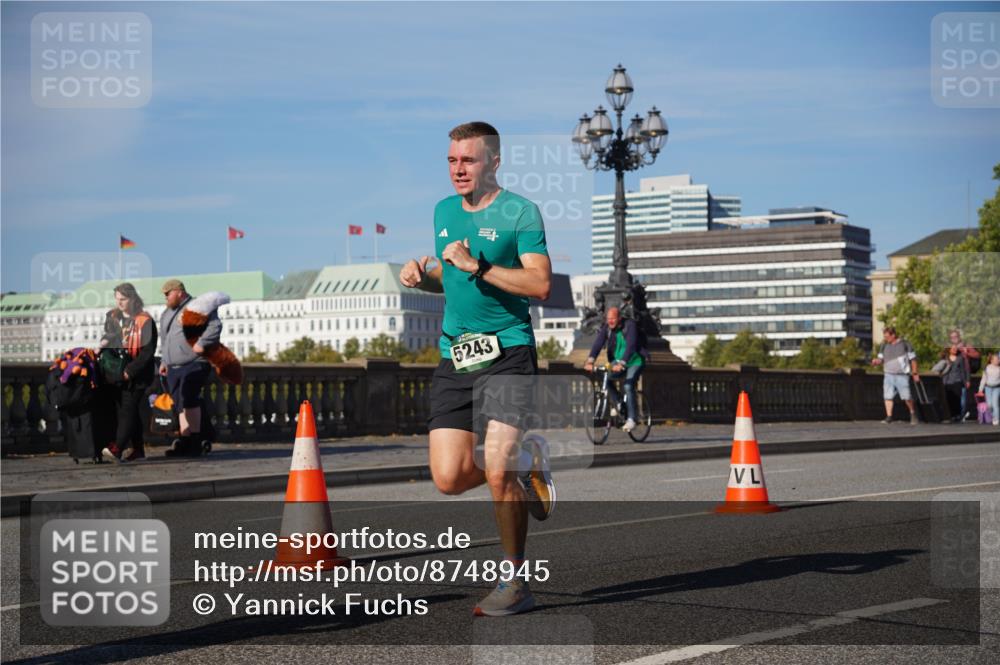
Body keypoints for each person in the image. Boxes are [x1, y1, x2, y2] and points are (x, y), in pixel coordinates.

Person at [399, 121, 555, 617]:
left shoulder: (520, 213)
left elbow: (540, 284)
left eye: (467, 159)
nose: (458, 169)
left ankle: (515, 582)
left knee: (495, 469)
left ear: (493, 162)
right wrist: (424, 278)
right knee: (449, 477)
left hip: (508, 353)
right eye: (451, 160)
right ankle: (528, 465)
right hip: (455, 356)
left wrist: (478, 267)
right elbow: (452, 275)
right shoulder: (444, 211)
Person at [159, 279, 220, 457]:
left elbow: (215, 326)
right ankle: (185, 441)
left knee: (189, 399)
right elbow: (166, 340)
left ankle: (195, 439)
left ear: (179, 292)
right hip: (173, 365)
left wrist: (202, 343)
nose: (166, 298)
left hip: (195, 362)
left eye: (168, 294)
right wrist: (164, 361)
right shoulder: (166, 313)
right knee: (179, 404)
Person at [99, 282, 157, 463]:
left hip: (137, 374)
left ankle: (117, 448)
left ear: (133, 299)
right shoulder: (113, 317)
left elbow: (148, 351)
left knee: (127, 410)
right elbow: (110, 336)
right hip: (117, 370)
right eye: (117, 299)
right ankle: (138, 451)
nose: (120, 303)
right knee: (130, 411)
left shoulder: (145, 321)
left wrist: (130, 371)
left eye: (123, 299)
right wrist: (103, 343)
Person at [584, 306, 647, 432]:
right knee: (605, 379)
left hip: (635, 360)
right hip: (616, 361)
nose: (610, 321)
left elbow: (631, 345)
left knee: (628, 386)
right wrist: (590, 361)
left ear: (619, 318)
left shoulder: (630, 325)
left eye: (613, 318)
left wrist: (623, 363)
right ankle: (618, 402)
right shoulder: (607, 328)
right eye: (608, 319)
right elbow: (598, 343)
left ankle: (632, 419)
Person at [871, 326, 920, 425]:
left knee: (907, 396)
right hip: (888, 374)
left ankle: (912, 413)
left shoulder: (905, 344)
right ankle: (889, 417)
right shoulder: (884, 346)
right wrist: (876, 361)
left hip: (902, 375)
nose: (885, 338)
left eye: (887, 336)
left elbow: (913, 359)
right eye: (884, 336)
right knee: (887, 396)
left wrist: (915, 373)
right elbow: (880, 359)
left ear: (893, 335)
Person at [949, 328, 981, 421]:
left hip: (963, 374)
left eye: (955, 336)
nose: (954, 338)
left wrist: (967, 352)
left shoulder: (966, 346)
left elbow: (977, 355)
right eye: (952, 337)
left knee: (963, 396)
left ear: (959, 337)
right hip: (953, 375)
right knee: (954, 396)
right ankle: (955, 414)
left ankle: (961, 415)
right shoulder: (950, 347)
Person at [932, 346, 971, 422]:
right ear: (949, 349)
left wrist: (967, 380)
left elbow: (964, 370)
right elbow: (938, 368)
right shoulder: (945, 359)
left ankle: (957, 415)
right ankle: (951, 415)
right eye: (953, 348)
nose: (955, 350)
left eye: (956, 348)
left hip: (957, 380)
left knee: (957, 398)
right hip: (947, 381)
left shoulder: (960, 358)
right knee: (949, 398)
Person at [978, 352, 1000, 426]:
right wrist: (980, 390)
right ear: (991, 360)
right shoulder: (987, 368)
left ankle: (996, 418)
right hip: (988, 388)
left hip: (997, 388)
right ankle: (991, 416)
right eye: (996, 359)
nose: (998, 361)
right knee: (989, 404)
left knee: (995, 403)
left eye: (998, 359)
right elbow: (983, 379)